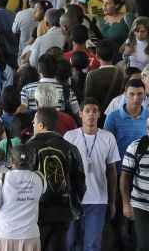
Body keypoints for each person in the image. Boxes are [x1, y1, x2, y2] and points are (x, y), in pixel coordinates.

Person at [27, 107, 87, 251]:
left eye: (34, 121)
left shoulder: (27, 148)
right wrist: (73, 204)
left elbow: (21, 182)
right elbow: (80, 182)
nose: (32, 123)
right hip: (63, 212)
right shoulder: (71, 148)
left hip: (35, 213)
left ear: (41, 125)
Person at [64, 98, 120, 251]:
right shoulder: (69, 137)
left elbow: (112, 171)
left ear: (99, 114)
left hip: (98, 199)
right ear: (80, 114)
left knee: (92, 245)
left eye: (95, 111)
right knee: (68, 243)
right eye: (87, 111)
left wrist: (112, 200)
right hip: (73, 199)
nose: (91, 114)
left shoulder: (108, 137)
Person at [0, 144, 46, 251]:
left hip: (4, 235)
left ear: (11, 160)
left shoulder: (3, 178)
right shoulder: (40, 178)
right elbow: (40, 195)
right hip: (30, 236)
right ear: (32, 160)